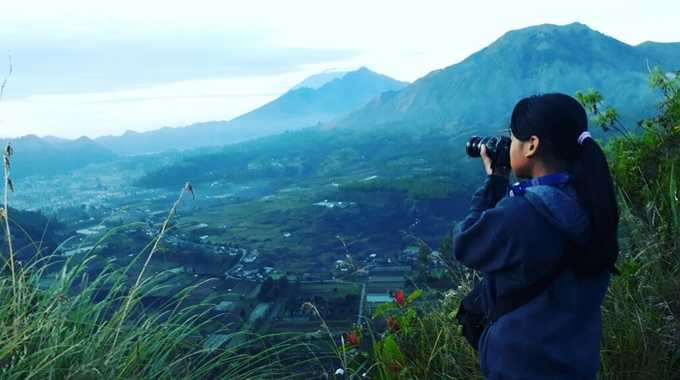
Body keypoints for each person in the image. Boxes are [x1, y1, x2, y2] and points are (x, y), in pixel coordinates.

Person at [453, 93, 619, 379]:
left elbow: (466, 243)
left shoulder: (523, 214)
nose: (510, 144)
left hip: (520, 367)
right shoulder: (593, 201)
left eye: (513, 137)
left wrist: (495, 180)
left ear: (532, 145)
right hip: (576, 364)